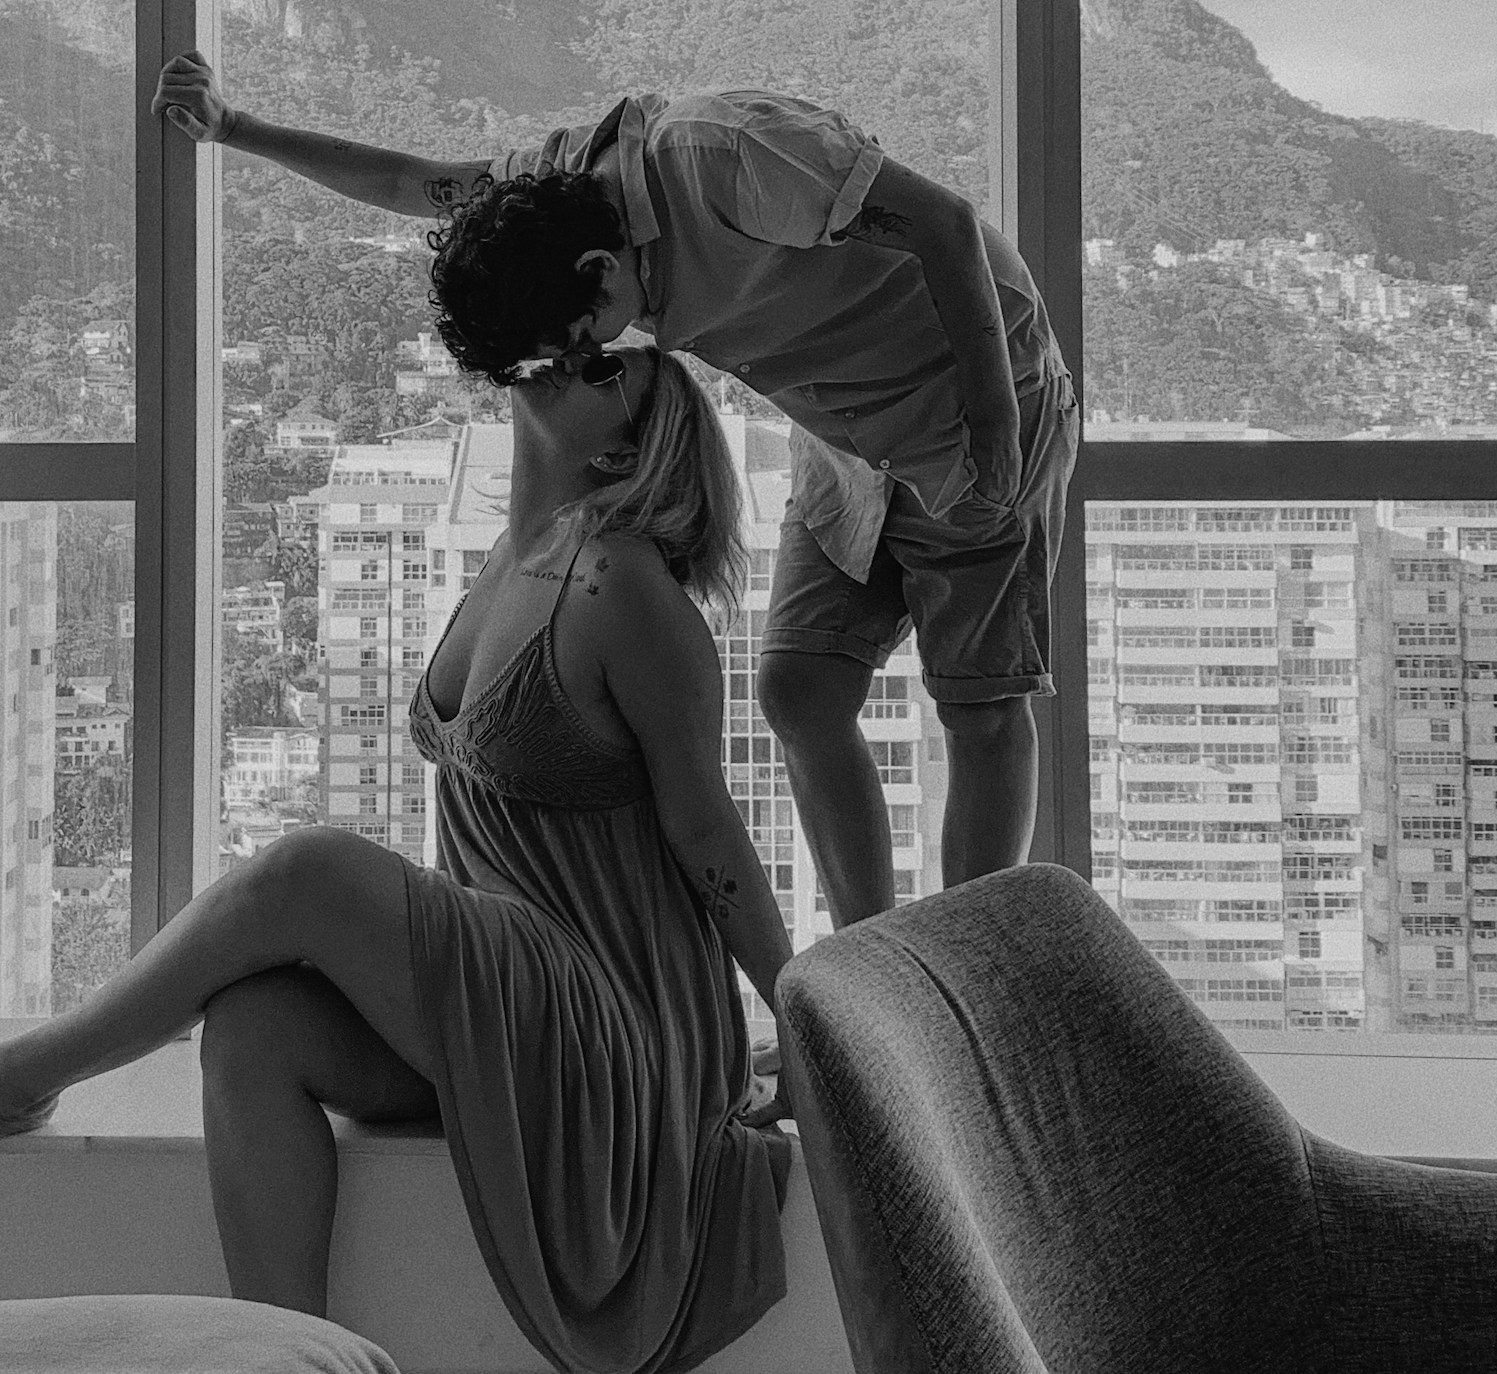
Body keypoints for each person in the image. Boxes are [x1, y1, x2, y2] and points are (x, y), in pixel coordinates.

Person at [0, 344, 793, 1374]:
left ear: (627, 445)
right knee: (254, 1027)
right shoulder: (516, 557)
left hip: (604, 1017)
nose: (571, 356)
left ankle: (12, 1081)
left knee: (307, 871)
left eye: (608, 369)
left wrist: (801, 1018)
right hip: (500, 1006)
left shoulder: (626, 590)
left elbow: (711, 841)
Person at [152, 59, 1078, 940]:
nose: (590, 360)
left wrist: (998, 428)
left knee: (981, 706)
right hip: (844, 438)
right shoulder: (539, 203)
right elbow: (413, 183)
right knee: (800, 688)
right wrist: (235, 127)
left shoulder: (729, 155)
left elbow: (947, 226)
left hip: (976, 395)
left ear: (600, 268)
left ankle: (972, 983)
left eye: (579, 342)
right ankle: (871, 976)